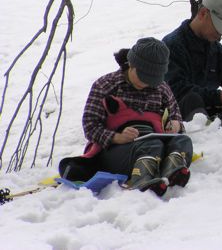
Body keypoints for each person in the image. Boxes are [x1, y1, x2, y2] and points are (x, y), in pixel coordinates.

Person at [58, 37, 193, 197]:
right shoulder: (106, 85)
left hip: (156, 141)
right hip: (117, 150)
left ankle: (173, 170)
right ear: (131, 64)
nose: (146, 83)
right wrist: (117, 137)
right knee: (151, 146)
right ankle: (143, 179)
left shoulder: (161, 88)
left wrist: (176, 125)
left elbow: (175, 115)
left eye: (152, 80)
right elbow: (90, 125)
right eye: (142, 76)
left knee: (183, 141)